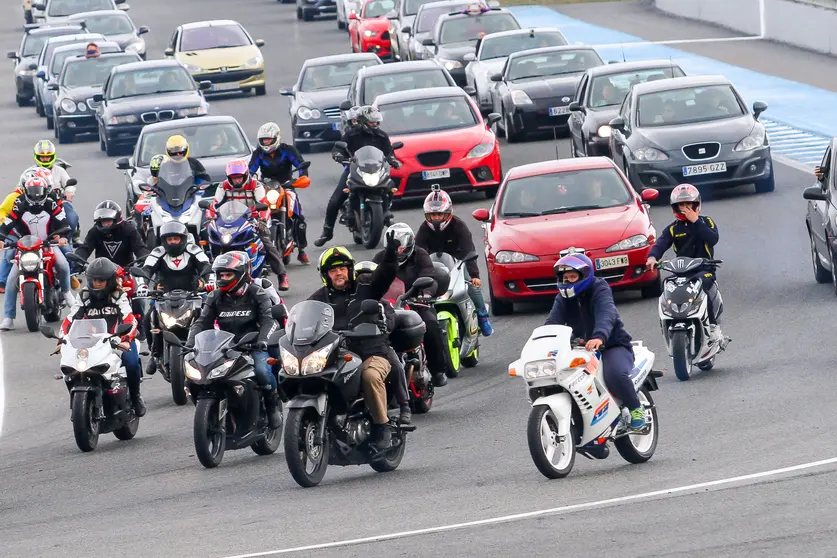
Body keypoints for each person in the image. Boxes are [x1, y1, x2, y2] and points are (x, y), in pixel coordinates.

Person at [310, 235, 400, 448]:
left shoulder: (366, 286)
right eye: (333, 270)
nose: (338, 273)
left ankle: (382, 425)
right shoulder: (318, 298)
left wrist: (390, 257)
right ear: (326, 275)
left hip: (372, 352)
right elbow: (304, 321)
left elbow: (384, 277)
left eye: (342, 268)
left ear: (349, 270)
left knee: (369, 376)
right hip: (336, 356)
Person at [545, 253, 646, 431]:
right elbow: (552, 322)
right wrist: (543, 340)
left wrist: (599, 336)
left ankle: (636, 409)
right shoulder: (562, 297)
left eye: (573, 276)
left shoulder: (599, 288)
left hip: (612, 345)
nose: (569, 281)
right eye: (566, 277)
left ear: (584, 276)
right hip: (580, 349)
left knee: (615, 375)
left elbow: (606, 313)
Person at [186, 251, 283, 429]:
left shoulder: (257, 293)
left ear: (242, 274)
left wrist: (262, 341)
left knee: (262, 372)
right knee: (195, 376)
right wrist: (190, 344)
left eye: (228, 274)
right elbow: (201, 322)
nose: (223, 278)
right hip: (225, 347)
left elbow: (269, 320)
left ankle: (271, 406)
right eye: (221, 275)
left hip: (253, 346)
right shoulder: (214, 296)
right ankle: (212, 412)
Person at [60, 258, 146, 416]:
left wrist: (126, 339)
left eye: (101, 281)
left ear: (110, 280)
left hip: (118, 339)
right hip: (91, 341)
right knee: (70, 367)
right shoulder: (84, 296)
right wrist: (62, 339)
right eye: (93, 280)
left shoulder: (118, 295)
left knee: (132, 363)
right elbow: (70, 319)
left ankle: (135, 397)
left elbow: (129, 319)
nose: (96, 284)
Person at [373, 223, 451, 387]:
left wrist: (425, 294)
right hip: (389, 306)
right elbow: (371, 279)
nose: (398, 251)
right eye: (395, 248)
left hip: (415, 303)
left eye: (401, 248)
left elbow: (429, 276)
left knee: (430, 325)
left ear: (409, 245)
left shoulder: (421, 255)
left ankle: (437, 370)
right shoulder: (380, 258)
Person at [313, 105, 401, 247]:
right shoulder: (351, 134)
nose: (375, 125)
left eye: (376, 122)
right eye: (372, 122)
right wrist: (338, 155)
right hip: (354, 169)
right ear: (362, 121)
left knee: (390, 187)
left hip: (376, 170)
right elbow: (338, 147)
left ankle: (386, 212)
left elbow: (389, 152)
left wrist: (392, 160)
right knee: (335, 200)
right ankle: (327, 232)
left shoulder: (382, 136)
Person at [645, 184, 721, 336]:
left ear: (696, 205)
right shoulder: (673, 228)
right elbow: (661, 243)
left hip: (704, 269)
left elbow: (713, 239)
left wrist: (696, 221)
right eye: (681, 205)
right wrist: (652, 258)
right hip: (682, 271)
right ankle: (669, 322)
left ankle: (713, 326)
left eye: (688, 205)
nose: (685, 209)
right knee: (667, 286)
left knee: (702, 283)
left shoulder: (706, 222)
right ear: (675, 208)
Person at [0, 177, 75, 330]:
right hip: (25, 246)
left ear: (45, 191)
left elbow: (64, 222)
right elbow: (8, 222)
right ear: (26, 192)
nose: (35, 196)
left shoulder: (51, 203)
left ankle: (67, 293)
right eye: (32, 192)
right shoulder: (19, 204)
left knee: (63, 264)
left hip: (47, 244)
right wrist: (1, 237)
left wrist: (62, 237)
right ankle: (8, 317)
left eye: (38, 192)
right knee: (12, 279)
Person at [416, 188, 493, 336]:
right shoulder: (423, 229)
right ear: (427, 215)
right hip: (433, 264)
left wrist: (474, 274)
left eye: (439, 214)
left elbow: (468, 250)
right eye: (433, 215)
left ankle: (482, 316)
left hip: (459, 261)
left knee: (472, 285)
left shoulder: (459, 226)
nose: (436, 218)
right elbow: (419, 252)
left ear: (448, 213)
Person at [138, 221, 211, 375]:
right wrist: (143, 286)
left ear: (183, 238)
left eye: (176, 239)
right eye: (169, 239)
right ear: (164, 241)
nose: (172, 242)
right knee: (147, 320)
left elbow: (206, 265)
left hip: (193, 295)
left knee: (210, 317)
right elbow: (146, 270)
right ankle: (155, 353)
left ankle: (210, 352)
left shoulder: (193, 249)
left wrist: (207, 282)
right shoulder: (158, 252)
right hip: (164, 297)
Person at [207, 159, 289, 290]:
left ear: (245, 175)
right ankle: (208, 275)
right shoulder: (223, 186)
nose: (237, 181)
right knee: (211, 239)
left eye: (239, 178)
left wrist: (261, 221)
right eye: (233, 178)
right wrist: (211, 216)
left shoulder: (256, 185)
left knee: (265, 242)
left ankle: (282, 275)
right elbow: (215, 204)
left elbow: (264, 204)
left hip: (253, 220)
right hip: (230, 221)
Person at [355, 261, 411, 425]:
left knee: (395, 365)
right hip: (351, 348)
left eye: (368, 279)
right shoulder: (349, 304)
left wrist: (382, 325)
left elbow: (390, 321)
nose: (364, 281)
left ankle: (404, 405)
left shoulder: (382, 305)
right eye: (360, 279)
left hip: (379, 347)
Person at [248, 122, 310, 265]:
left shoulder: (288, 150)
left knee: (298, 216)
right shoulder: (258, 153)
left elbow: (300, 164)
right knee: (254, 215)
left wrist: (302, 177)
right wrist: (251, 182)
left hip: (286, 185)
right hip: (266, 187)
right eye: (264, 140)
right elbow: (251, 170)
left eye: (269, 139)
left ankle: (301, 250)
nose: (266, 142)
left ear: (276, 138)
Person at [31, 140, 79, 240]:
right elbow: (19, 187)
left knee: (72, 218)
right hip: (36, 205)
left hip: (60, 204)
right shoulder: (30, 172)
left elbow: (69, 183)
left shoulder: (60, 171)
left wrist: (69, 191)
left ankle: (68, 238)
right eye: (42, 157)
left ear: (52, 156)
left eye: (47, 156)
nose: (45, 159)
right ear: (37, 156)